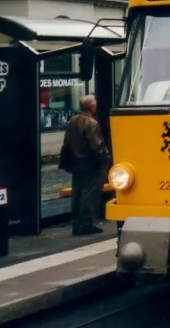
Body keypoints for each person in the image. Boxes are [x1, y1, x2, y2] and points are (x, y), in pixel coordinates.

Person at [60, 95, 110, 235]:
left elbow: (67, 143)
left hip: (76, 164)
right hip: (91, 164)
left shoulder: (72, 120)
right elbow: (97, 146)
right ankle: (86, 224)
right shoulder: (91, 123)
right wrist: (106, 159)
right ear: (92, 107)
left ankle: (76, 224)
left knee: (78, 193)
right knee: (90, 195)